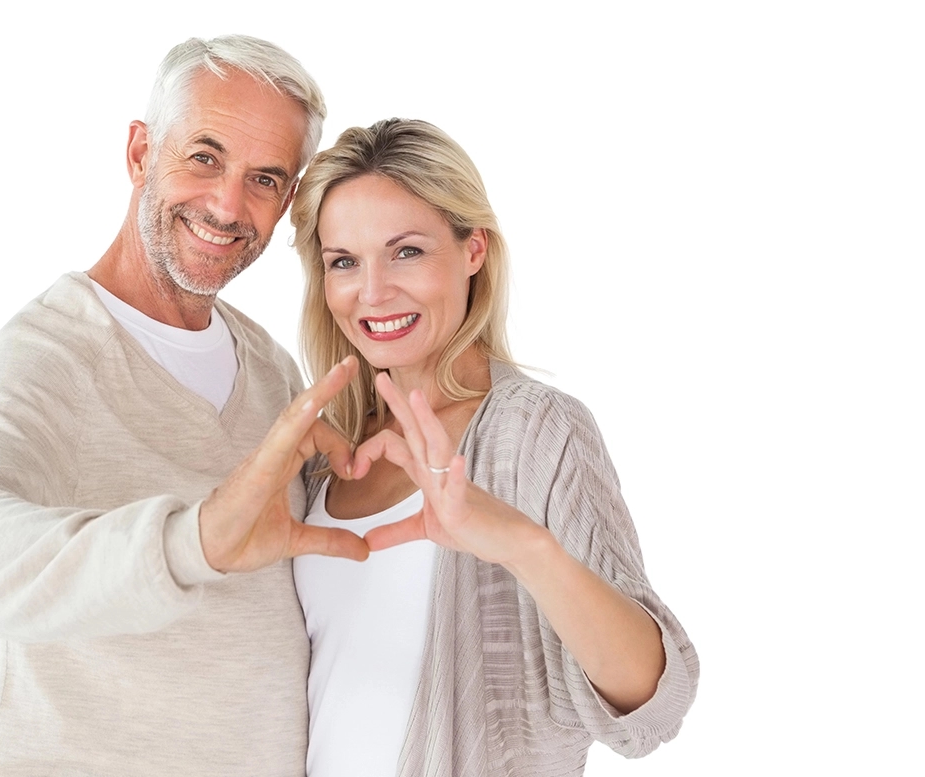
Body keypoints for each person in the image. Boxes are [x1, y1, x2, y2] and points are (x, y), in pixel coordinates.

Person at [0, 36, 371, 776]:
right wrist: (191, 542)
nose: (226, 204)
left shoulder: (273, 369)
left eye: (265, 179)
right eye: (203, 157)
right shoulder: (54, 353)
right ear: (141, 151)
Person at [289, 119, 699, 777]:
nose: (371, 292)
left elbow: (655, 705)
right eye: (344, 261)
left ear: (473, 248)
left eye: (407, 251)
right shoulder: (321, 457)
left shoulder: (535, 432)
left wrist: (521, 544)